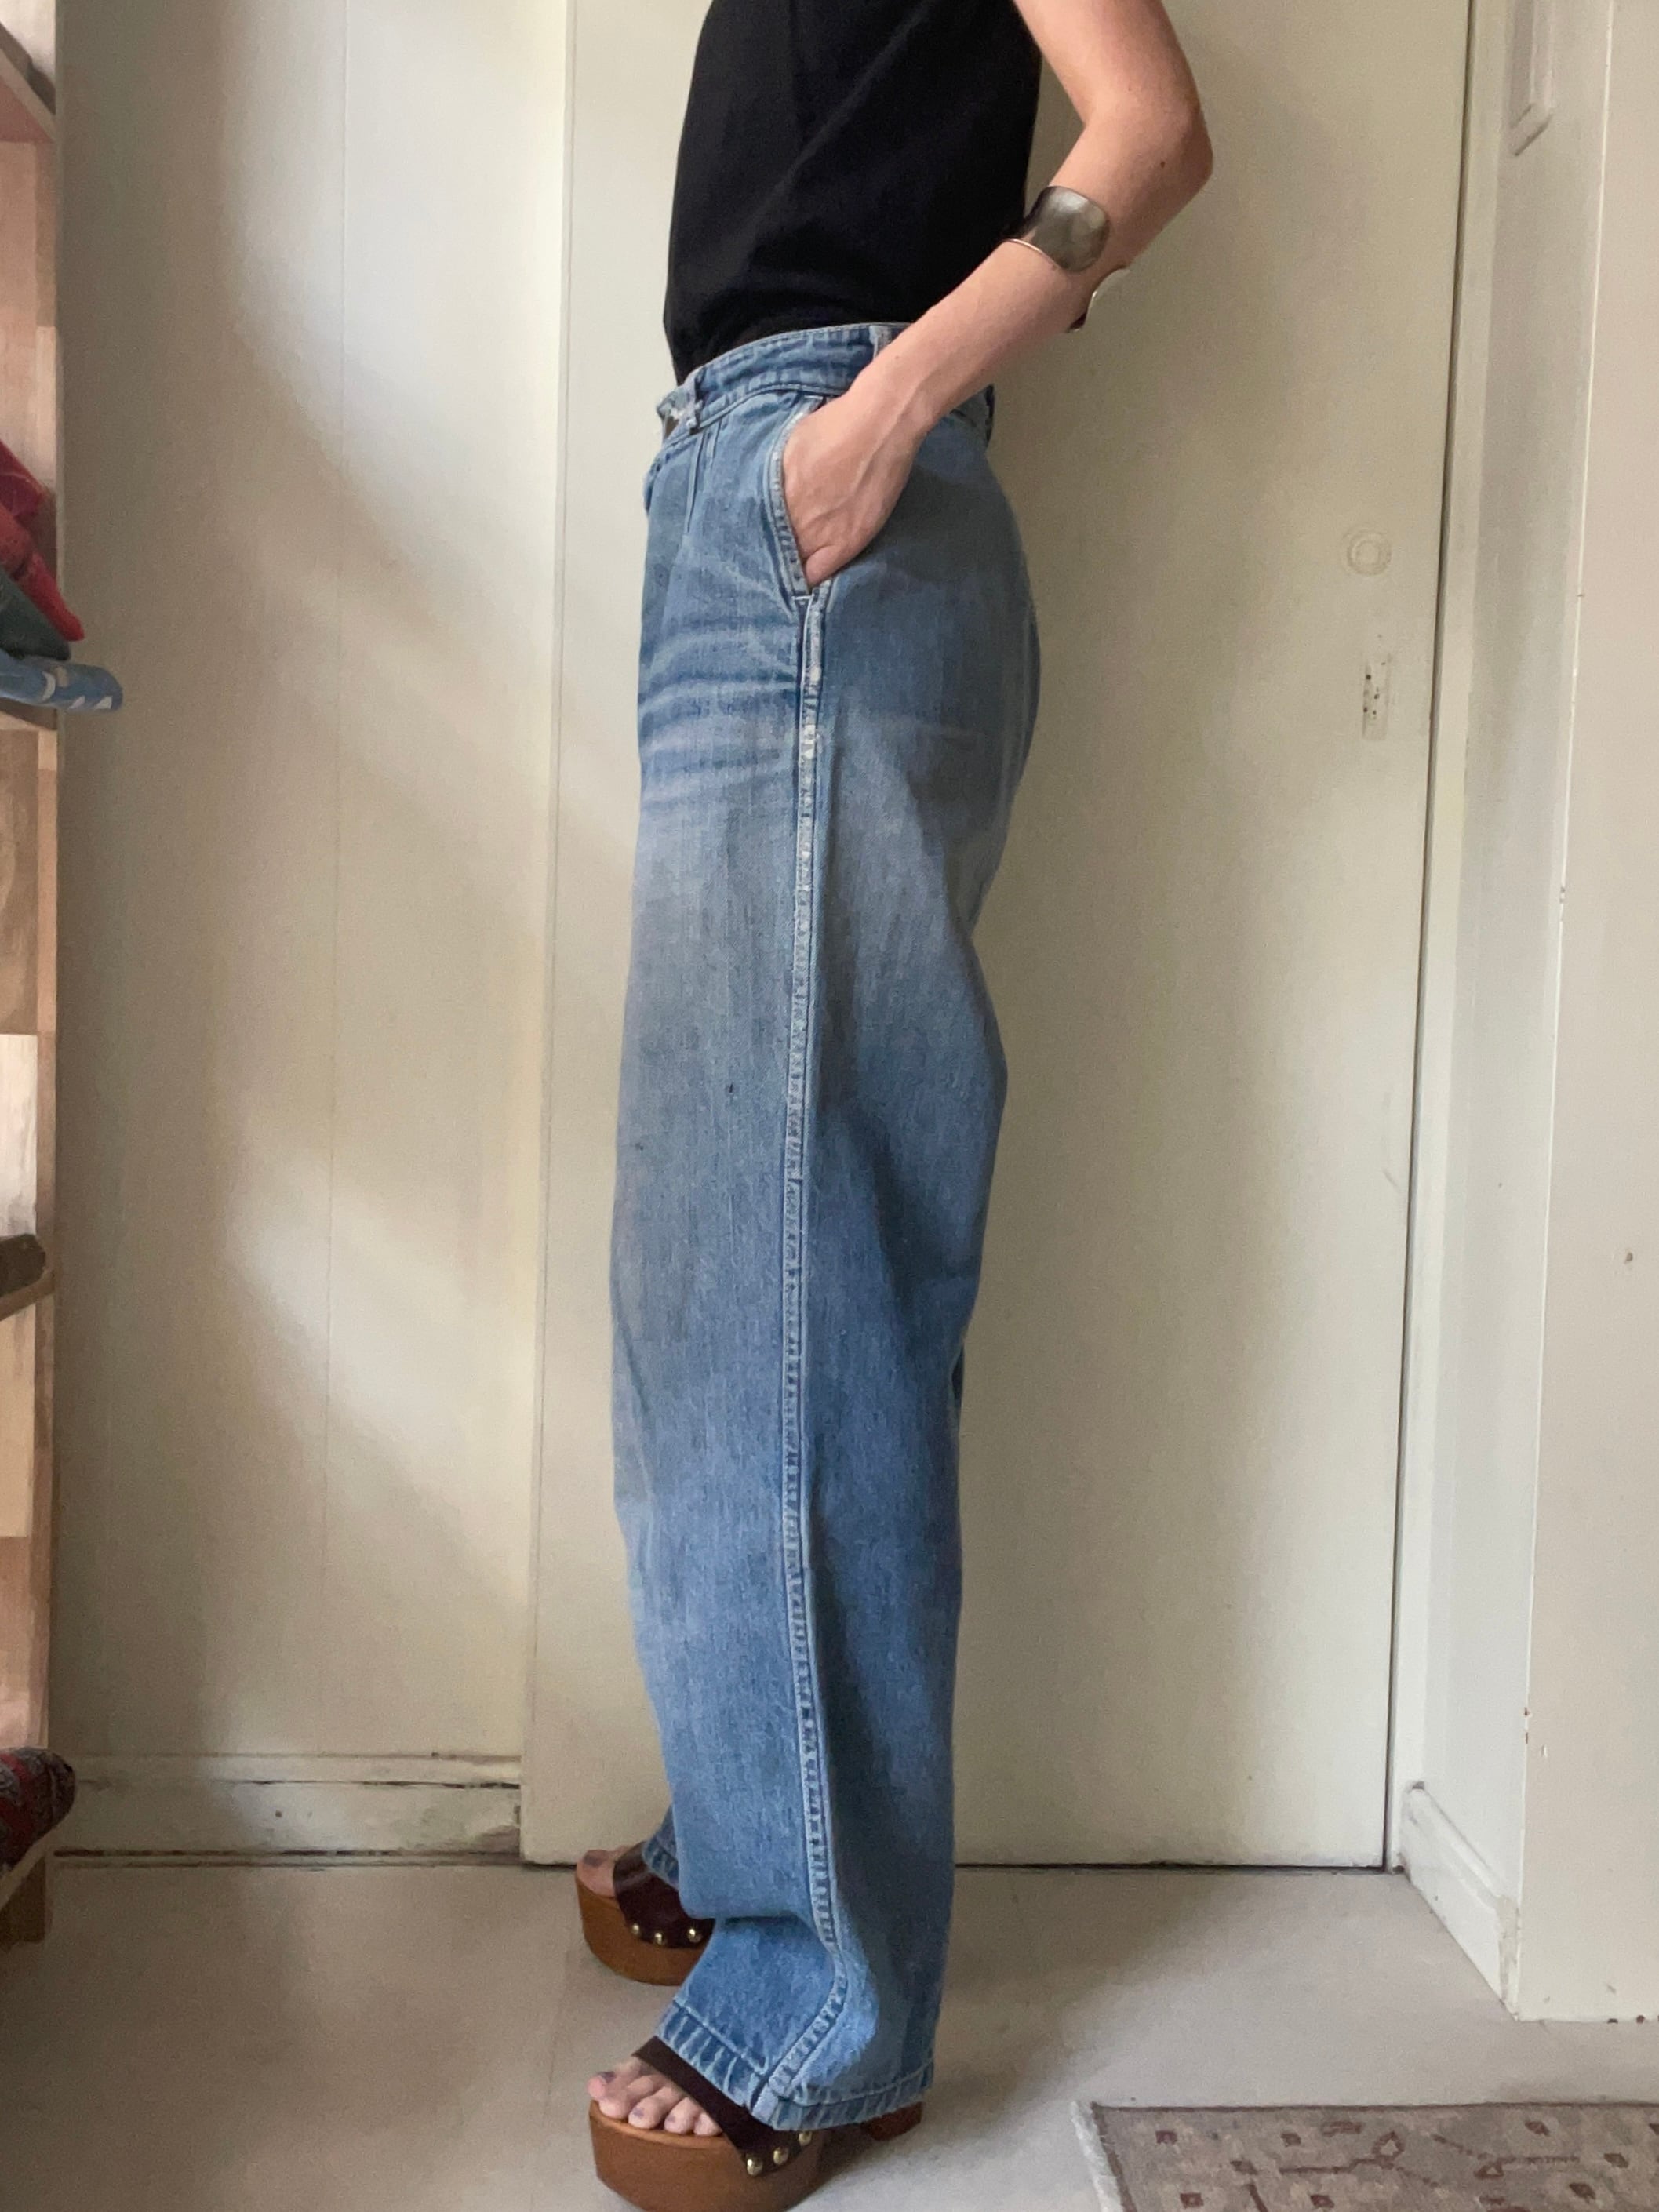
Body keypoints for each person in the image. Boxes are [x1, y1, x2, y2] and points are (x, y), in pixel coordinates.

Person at [580, 2, 1211, 2202]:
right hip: (756, 487)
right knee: (730, 1263)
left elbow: (1148, 132)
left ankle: (821, 1996)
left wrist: (886, 407)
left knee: (782, 1269)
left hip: (824, 480)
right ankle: (752, 1825)